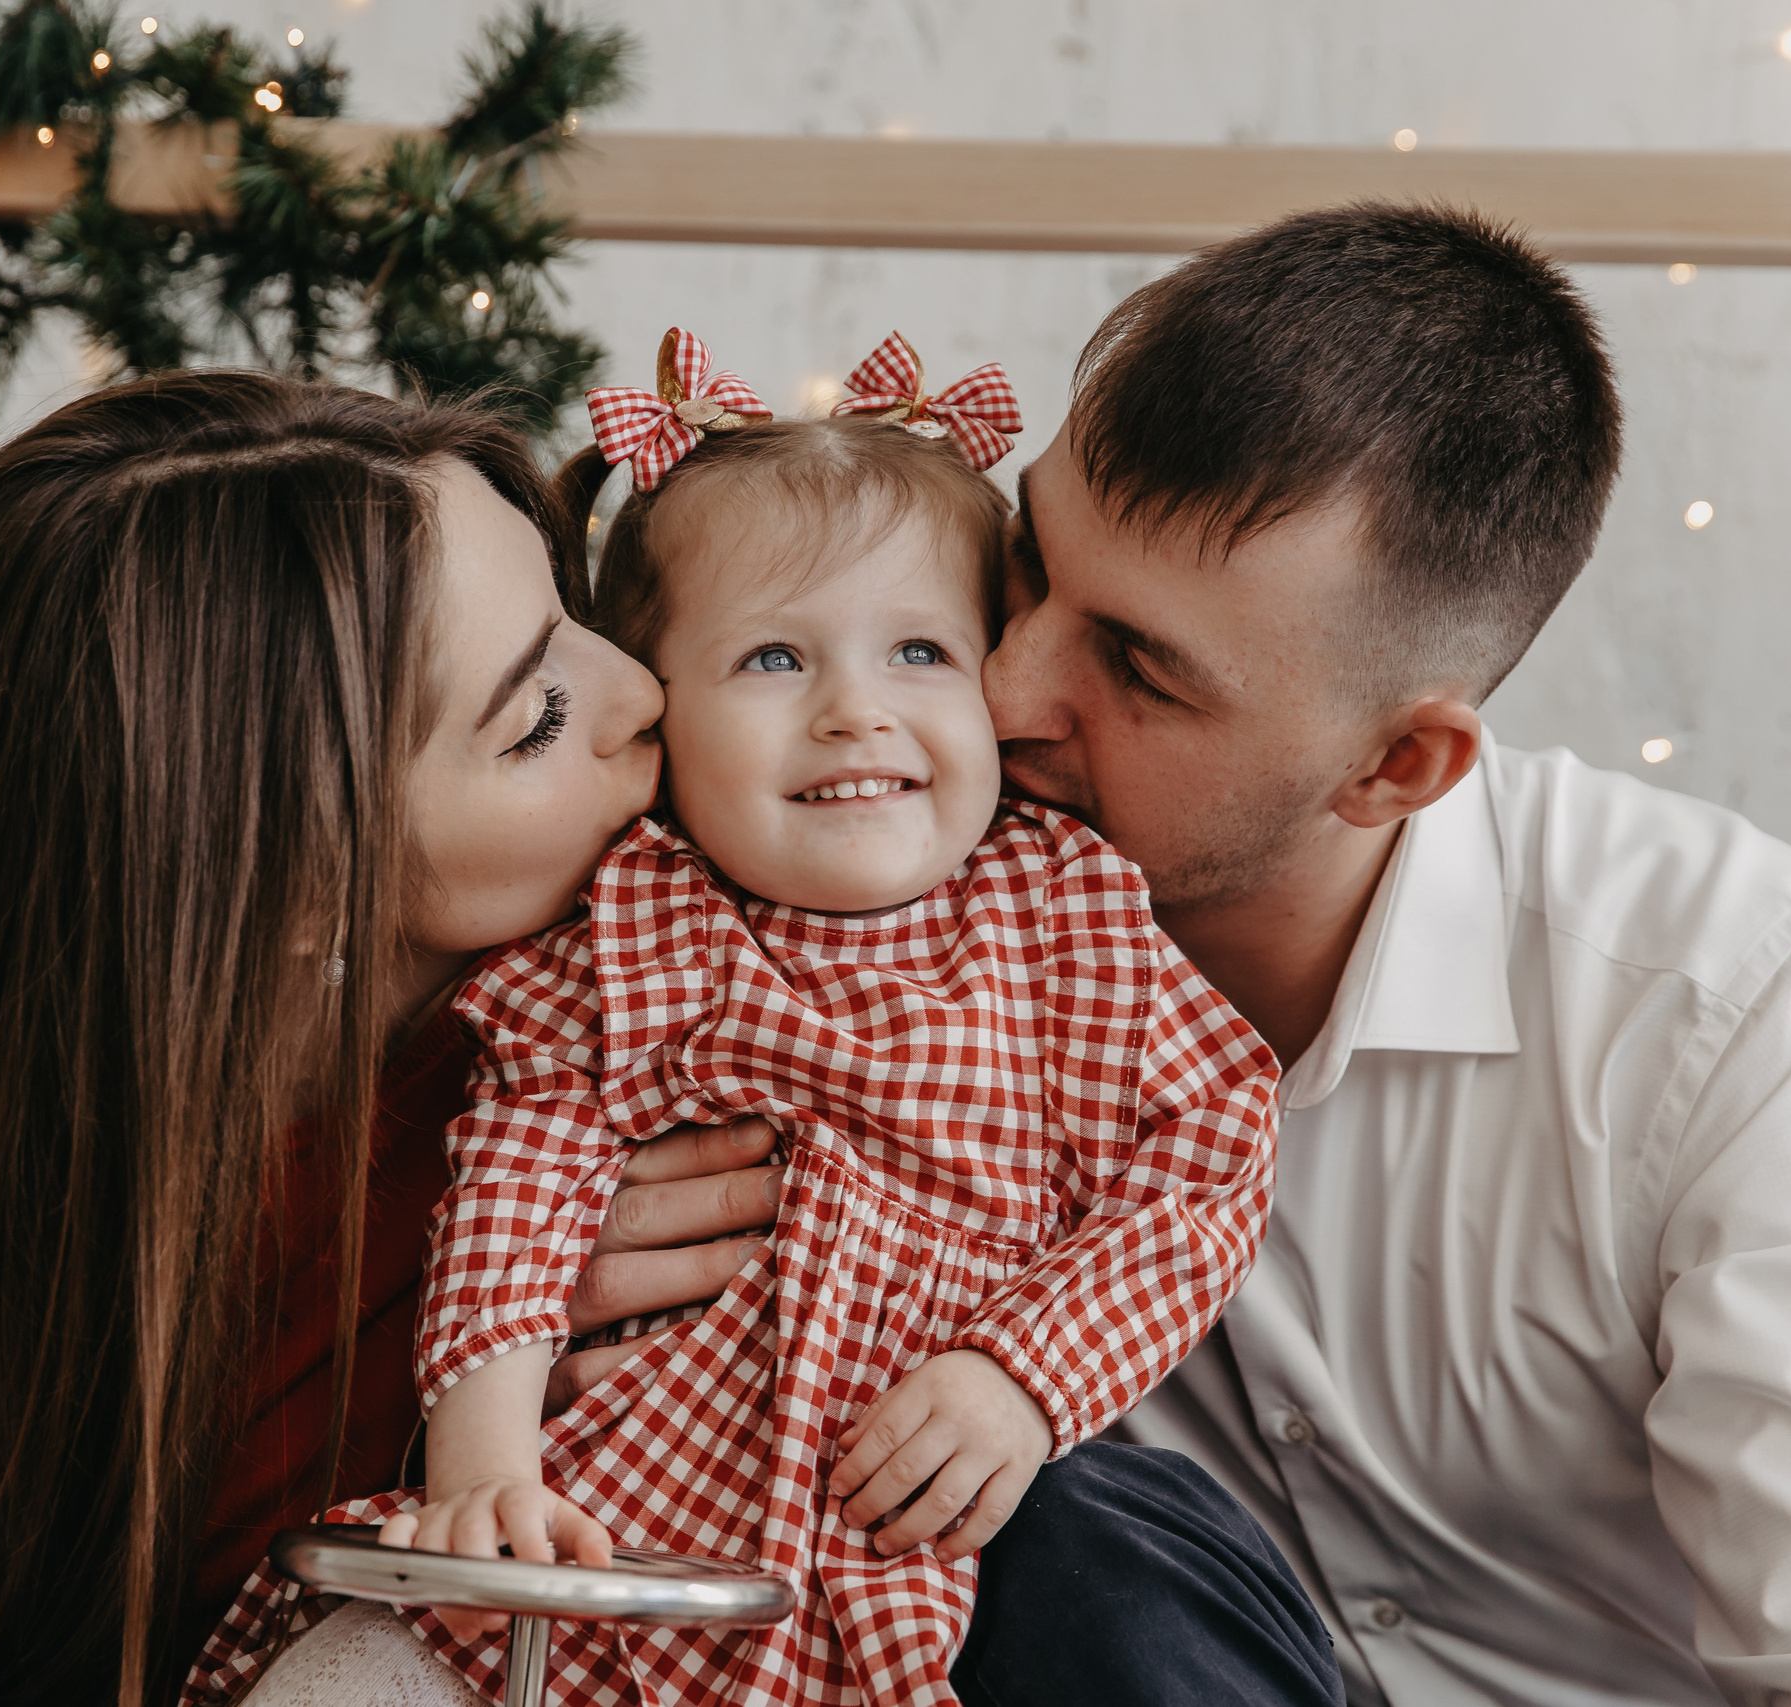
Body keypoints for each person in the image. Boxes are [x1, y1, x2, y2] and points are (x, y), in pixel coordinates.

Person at [0, 370, 1337, 1707]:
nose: (650, 698)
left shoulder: (683, 996)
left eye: (581, 621)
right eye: (538, 712)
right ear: (293, 887)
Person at [984, 202, 1791, 1704]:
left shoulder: (1763, 1023)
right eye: (1026, 563)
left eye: (1139, 667)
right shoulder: (857, 908)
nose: (999, 687)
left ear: (1400, 765)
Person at [190, 331, 1280, 1707]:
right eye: (773, 659)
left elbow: (1209, 1160)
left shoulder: (1065, 913)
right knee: (368, 1671)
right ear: (657, 711)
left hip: (875, 1536)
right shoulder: (636, 922)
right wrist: (483, 1465)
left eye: (921, 651)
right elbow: (519, 1186)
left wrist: (1024, 1376)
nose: (855, 714)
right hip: (611, 1500)